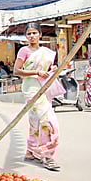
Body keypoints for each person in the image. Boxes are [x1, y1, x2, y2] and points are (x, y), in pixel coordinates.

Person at [13, 22, 60, 171]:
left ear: (40, 34)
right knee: (48, 121)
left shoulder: (46, 51)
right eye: (29, 33)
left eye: (34, 33)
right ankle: (47, 155)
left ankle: (31, 151)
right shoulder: (24, 51)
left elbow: (50, 68)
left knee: (35, 121)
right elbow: (17, 70)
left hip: (44, 87)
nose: (32, 36)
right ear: (26, 36)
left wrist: (51, 69)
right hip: (31, 89)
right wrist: (36, 73)